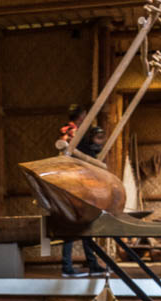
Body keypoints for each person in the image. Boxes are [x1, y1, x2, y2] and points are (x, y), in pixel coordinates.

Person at [59, 107, 106, 278]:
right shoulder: (71, 134)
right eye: (85, 116)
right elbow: (72, 153)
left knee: (86, 225)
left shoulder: (79, 134)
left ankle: (92, 264)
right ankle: (67, 267)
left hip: (81, 183)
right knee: (73, 225)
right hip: (74, 184)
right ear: (81, 117)